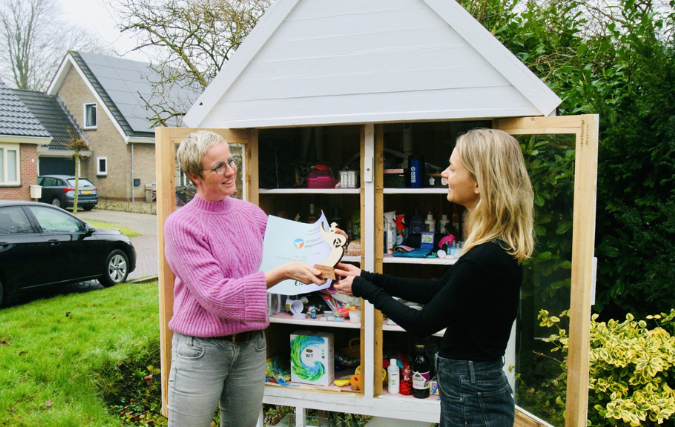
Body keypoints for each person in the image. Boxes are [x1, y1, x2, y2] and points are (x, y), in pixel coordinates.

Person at [334, 128, 534, 427]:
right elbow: (438, 289)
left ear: (479, 182)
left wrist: (364, 288)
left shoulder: (486, 257)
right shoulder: (493, 247)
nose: (443, 174)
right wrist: (368, 276)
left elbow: (423, 323)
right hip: (472, 385)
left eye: (453, 168)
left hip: (472, 389)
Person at [164, 130, 325, 427]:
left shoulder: (251, 214)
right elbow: (215, 295)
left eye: (231, 160)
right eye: (219, 166)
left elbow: (292, 251)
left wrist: (326, 242)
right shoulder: (181, 225)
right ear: (194, 176)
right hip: (201, 351)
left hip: (250, 347)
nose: (231, 171)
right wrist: (282, 272)